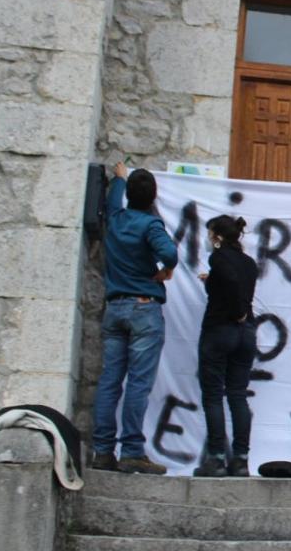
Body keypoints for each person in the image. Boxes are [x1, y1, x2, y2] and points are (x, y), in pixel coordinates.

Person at [92, 162, 178, 474]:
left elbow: (114, 201)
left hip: (115, 308)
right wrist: (164, 271)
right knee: (138, 384)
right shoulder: (150, 225)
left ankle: (102, 450)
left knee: (110, 381)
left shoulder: (115, 219)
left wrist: (119, 179)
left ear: (129, 194)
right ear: (153, 197)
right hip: (143, 308)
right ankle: (131, 451)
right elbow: (170, 254)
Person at [193, 215, 259, 478]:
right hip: (246, 335)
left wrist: (237, 311)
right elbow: (235, 284)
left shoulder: (218, 258)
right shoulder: (249, 262)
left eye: (210, 234)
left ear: (217, 237)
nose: (209, 240)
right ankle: (241, 460)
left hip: (221, 330)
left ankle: (217, 458)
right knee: (238, 394)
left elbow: (231, 284)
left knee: (212, 395)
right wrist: (212, 282)